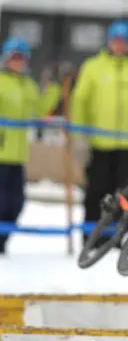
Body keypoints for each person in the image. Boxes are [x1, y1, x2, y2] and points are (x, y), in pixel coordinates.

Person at [70, 20, 128, 247]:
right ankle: (91, 234)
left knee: (123, 192)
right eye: (116, 41)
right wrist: (78, 134)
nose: (119, 46)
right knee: (96, 191)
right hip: (98, 143)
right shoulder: (93, 67)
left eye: (124, 42)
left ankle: (116, 237)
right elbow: (80, 101)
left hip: (125, 145)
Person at [0, 38, 62, 254]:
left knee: (15, 203)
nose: (17, 62)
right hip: (1, 152)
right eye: (14, 57)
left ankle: (2, 241)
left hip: (17, 155)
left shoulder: (28, 85)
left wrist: (54, 88)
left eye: (21, 58)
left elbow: (39, 111)